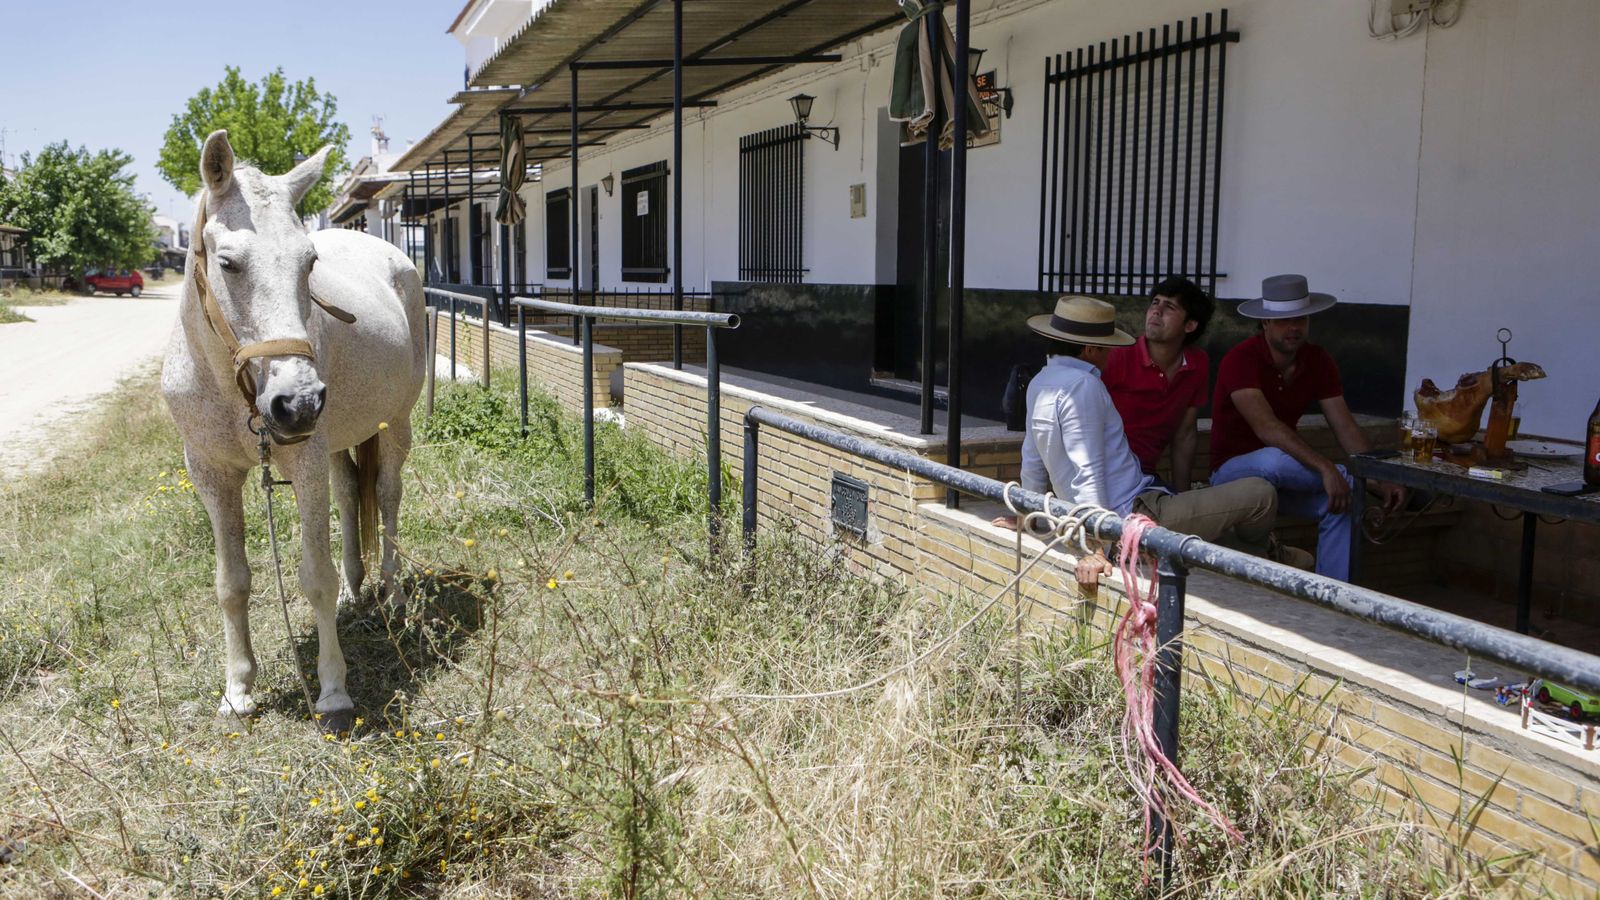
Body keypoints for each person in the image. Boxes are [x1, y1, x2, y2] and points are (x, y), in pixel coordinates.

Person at [998, 295, 1311, 574]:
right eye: (1106, 348)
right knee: (1261, 493)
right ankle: (1267, 557)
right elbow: (1088, 471)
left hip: (1135, 503)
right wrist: (1096, 546)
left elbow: (1033, 460)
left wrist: (1027, 517)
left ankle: (1257, 555)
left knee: (1219, 522)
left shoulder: (1041, 380)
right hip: (1134, 515)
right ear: (1090, 349)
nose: (1110, 356)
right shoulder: (1085, 386)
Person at [1208, 274, 1404, 582]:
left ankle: (1334, 597)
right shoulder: (1240, 359)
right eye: (1284, 321)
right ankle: (1351, 479)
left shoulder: (1318, 360)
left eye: (1300, 319)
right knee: (1273, 458)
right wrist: (1331, 470)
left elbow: (1345, 427)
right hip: (1234, 475)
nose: (1294, 328)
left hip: (1285, 481)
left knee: (1340, 502)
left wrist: (1379, 476)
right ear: (1265, 323)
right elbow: (1267, 429)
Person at [1101, 277, 1213, 490]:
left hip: (1146, 479)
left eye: (1169, 306)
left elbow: (1185, 433)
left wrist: (1183, 495)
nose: (1156, 311)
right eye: (1155, 302)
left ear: (1190, 325)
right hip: (1106, 477)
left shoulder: (1198, 364)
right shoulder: (1119, 355)